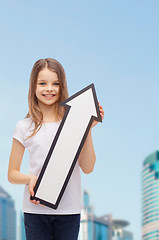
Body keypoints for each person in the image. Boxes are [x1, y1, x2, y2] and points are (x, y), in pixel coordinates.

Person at [8, 58, 104, 240]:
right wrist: (30, 179)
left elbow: (88, 168)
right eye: (42, 83)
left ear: (62, 87)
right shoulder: (24, 126)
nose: (49, 89)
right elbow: (12, 174)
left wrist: (87, 128)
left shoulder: (73, 123)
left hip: (69, 210)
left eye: (55, 83)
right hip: (35, 211)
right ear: (33, 87)